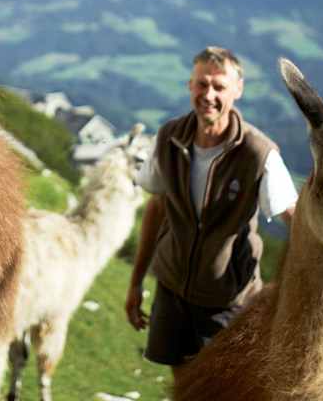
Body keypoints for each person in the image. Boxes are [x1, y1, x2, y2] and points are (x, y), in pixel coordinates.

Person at [124, 47, 297, 377]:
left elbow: (295, 220)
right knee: (181, 382)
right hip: (173, 290)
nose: (209, 95)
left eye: (219, 86)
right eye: (202, 84)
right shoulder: (168, 138)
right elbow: (156, 208)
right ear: (190, 86)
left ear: (238, 90)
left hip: (227, 303)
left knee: (222, 390)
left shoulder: (258, 154)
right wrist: (135, 283)